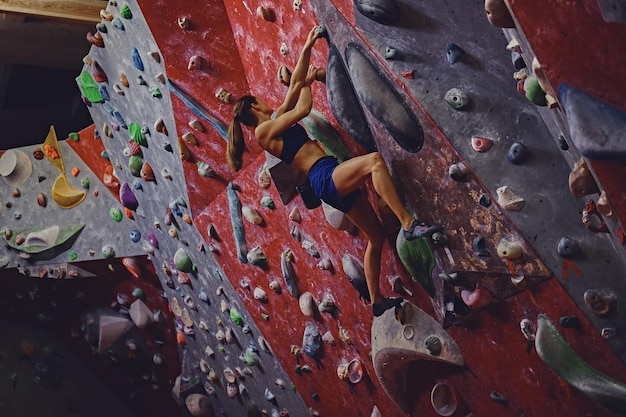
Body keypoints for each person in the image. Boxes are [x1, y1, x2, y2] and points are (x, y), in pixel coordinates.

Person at [227, 26, 438, 316]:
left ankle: (376, 302)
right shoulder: (263, 132)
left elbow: (294, 89)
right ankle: (408, 223)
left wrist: (307, 48)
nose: (266, 100)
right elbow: (302, 107)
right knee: (374, 161)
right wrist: (309, 81)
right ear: (254, 105)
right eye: (259, 99)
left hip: (327, 176)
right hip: (322, 175)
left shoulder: (273, 121)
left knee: (376, 238)